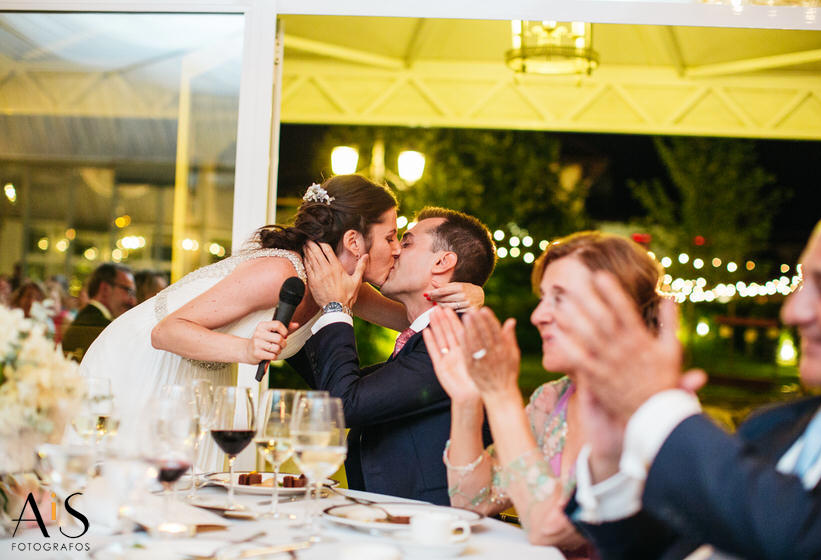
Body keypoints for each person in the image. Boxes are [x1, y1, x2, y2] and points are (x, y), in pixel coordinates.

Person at [78, 176, 482, 471]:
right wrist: (247, 350)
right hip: (147, 363)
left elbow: (415, 320)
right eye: (392, 237)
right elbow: (165, 331)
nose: (396, 250)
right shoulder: (280, 273)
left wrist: (473, 297)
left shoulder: (341, 290)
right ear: (356, 243)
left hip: (201, 375)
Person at [559, 208, 821, 560]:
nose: (792, 312)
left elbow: (806, 539)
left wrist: (658, 408)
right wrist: (612, 463)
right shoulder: (770, 427)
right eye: (801, 284)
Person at [424, 231, 662, 556]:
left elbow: (552, 529)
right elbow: (472, 502)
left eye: (559, 298)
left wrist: (502, 395)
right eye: (543, 298)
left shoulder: (648, 413)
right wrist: (467, 399)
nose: (538, 316)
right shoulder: (552, 400)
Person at [287, 207, 496, 504]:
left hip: (431, 531)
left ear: (442, 262)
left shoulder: (452, 342)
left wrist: (336, 308)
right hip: (398, 521)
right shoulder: (429, 338)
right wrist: (290, 332)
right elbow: (348, 385)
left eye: (407, 242)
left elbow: (345, 402)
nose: (395, 250)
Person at [62, 263, 136, 362]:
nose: (133, 301)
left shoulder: (85, 318)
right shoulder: (101, 327)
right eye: (129, 291)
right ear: (105, 289)